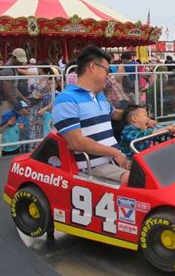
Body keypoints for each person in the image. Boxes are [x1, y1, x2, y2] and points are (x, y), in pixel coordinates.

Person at [52, 46, 130, 185]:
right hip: (93, 168)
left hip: (113, 160)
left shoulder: (100, 96)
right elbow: (76, 142)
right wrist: (115, 153)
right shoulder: (66, 100)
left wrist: (139, 116)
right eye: (107, 70)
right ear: (93, 67)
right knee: (139, 181)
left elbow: (115, 114)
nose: (108, 75)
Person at [0, 48, 29, 117]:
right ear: (14, 58)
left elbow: (13, 87)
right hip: (6, 102)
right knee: (7, 125)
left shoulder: (13, 69)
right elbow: (7, 91)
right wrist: (18, 105)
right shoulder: (8, 70)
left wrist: (23, 98)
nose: (21, 63)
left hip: (10, 101)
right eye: (19, 61)